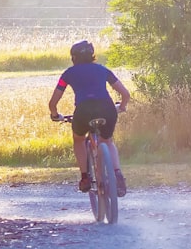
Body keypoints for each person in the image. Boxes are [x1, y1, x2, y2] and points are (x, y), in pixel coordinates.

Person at [48, 40, 130, 197]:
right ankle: (117, 174)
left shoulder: (68, 74)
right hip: (107, 108)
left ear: (73, 57)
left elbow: (53, 102)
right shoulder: (103, 70)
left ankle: (85, 177)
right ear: (92, 55)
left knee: (79, 139)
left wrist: (55, 115)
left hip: (83, 111)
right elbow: (125, 94)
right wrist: (122, 106)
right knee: (107, 141)